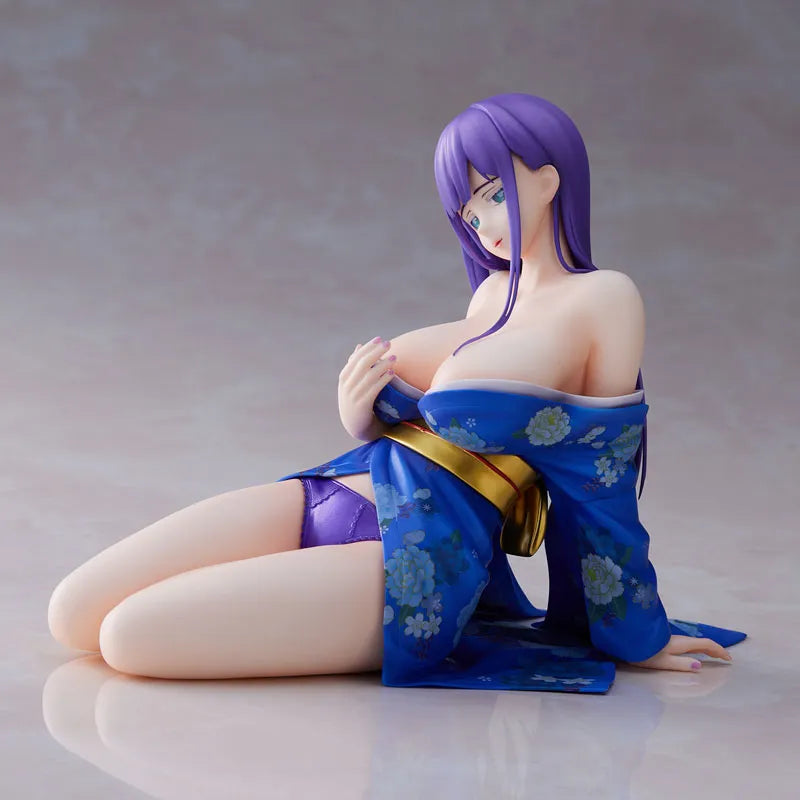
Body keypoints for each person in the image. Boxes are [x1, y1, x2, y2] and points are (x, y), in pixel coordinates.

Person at [48, 94, 746, 691]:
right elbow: (430, 420)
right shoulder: (491, 298)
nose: (481, 224)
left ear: (549, 179)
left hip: (418, 558)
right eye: (467, 211)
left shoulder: (605, 300)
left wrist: (635, 631)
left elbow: (601, 481)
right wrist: (362, 416)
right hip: (343, 487)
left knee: (129, 638)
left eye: (492, 194)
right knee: (73, 613)